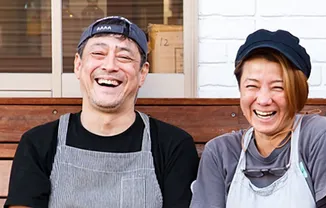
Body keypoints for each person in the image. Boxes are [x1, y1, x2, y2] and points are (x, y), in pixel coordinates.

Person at [5, 16, 199, 208]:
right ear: (78, 65)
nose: (110, 66)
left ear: (142, 73)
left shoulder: (173, 146)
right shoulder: (38, 143)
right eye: (98, 53)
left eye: (124, 57)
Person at [190, 29, 326, 208]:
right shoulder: (221, 153)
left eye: (278, 87)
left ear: (297, 91)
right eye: (251, 86)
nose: (264, 100)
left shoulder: (321, 136)